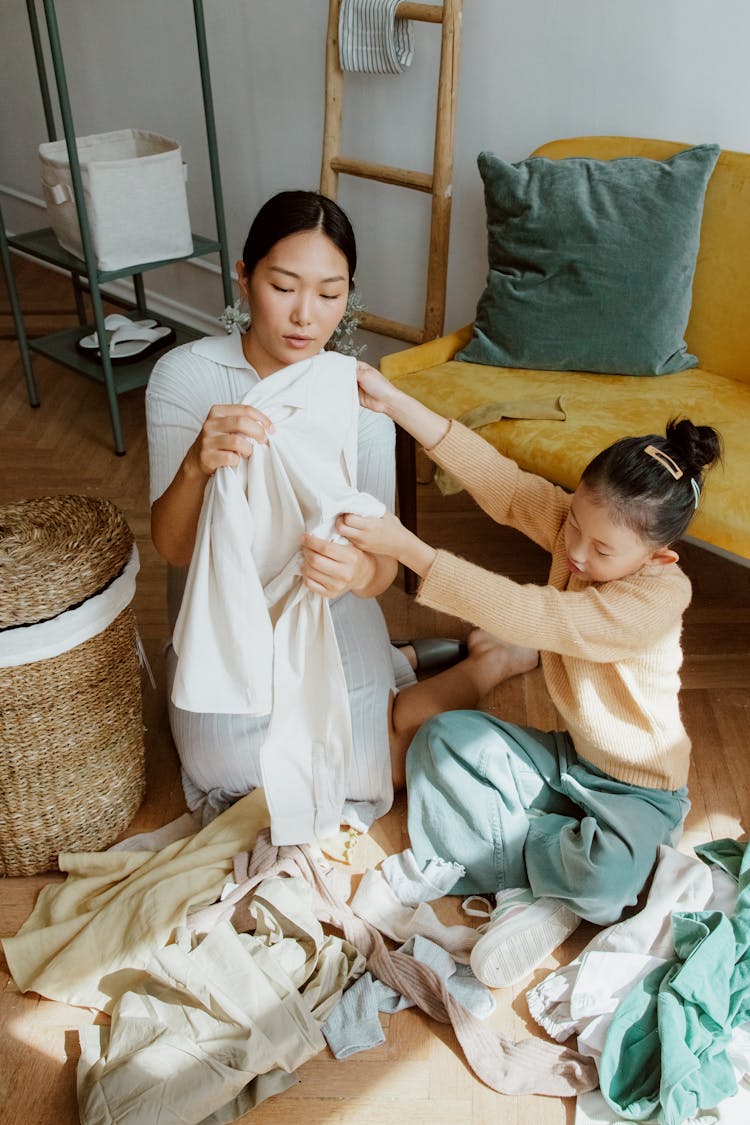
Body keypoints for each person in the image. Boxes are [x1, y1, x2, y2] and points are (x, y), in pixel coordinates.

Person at [146, 190, 517, 837]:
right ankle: (403, 655)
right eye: (283, 286)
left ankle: (490, 661)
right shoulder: (188, 376)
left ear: (350, 294)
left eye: (329, 292)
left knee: (368, 763)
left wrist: (352, 572)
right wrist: (195, 467)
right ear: (244, 276)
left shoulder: (357, 398)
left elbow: (379, 570)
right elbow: (175, 550)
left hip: (329, 608)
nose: (304, 315)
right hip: (224, 615)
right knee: (236, 773)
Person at [339, 362, 722, 986]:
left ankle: (549, 893)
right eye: (573, 522)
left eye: (602, 550)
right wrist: (394, 401)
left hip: (639, 793)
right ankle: (553, 871)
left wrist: (408, 548)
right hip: (574, 762)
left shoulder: (656, 598)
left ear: (659, 555)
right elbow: (503, 484)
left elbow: (533, 612)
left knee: (608, 887)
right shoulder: (581, 532)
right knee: (440, 740)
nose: (575, 551)